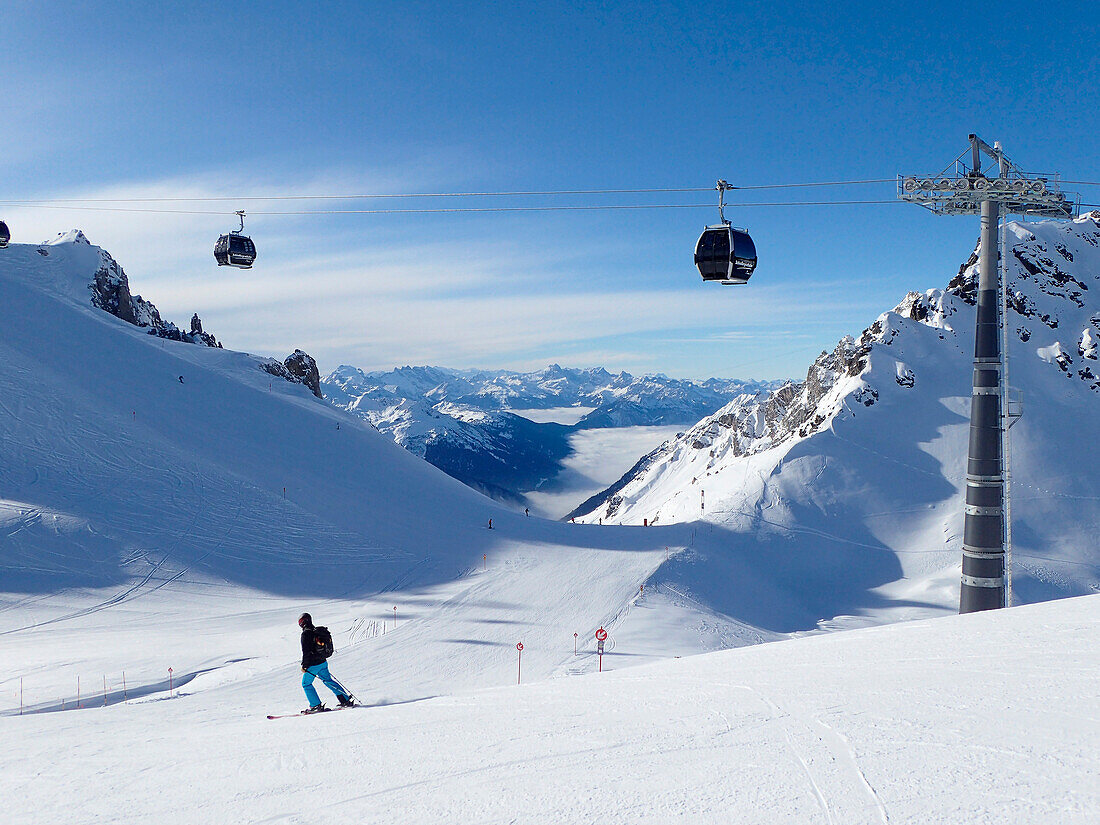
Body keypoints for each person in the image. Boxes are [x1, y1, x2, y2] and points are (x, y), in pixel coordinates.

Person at [298, 613, 354, 712]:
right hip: (323, 662)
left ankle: (315, 705)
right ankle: (345, 700)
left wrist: (305, 665)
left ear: (302, 623)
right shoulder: (317, 631)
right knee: (328, 680)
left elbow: (306, 651)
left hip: (313, 664)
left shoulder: (306, 634)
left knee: (306, 684)